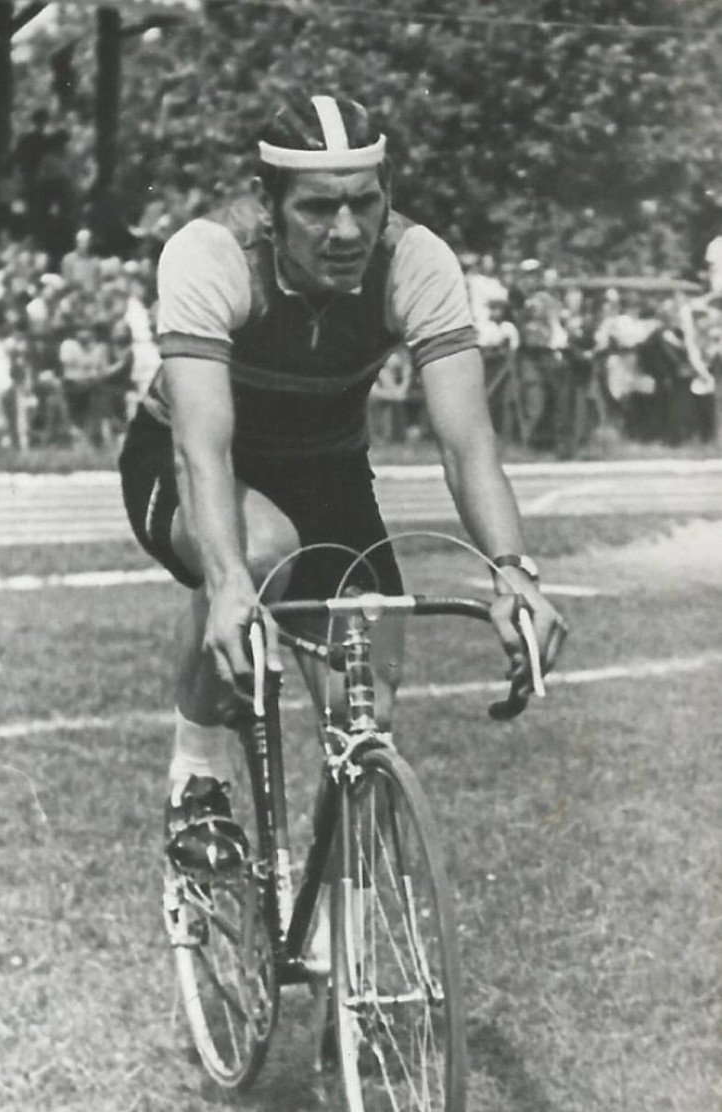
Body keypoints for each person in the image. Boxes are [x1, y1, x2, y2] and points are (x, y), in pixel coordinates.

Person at [119, 91, 566, 882]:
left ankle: (338, 927)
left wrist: (513, 571)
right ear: (267, 203)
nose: (348, 231)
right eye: (320, 208)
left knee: (367, 709)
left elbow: (467, 442)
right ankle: (197, 774)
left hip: (327, 468)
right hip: (194, 461)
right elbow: (203, 449)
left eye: (365, 202)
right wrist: (226, 585)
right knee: (260, 553)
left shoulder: (417, 261)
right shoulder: (211, 255)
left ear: (387, 193)